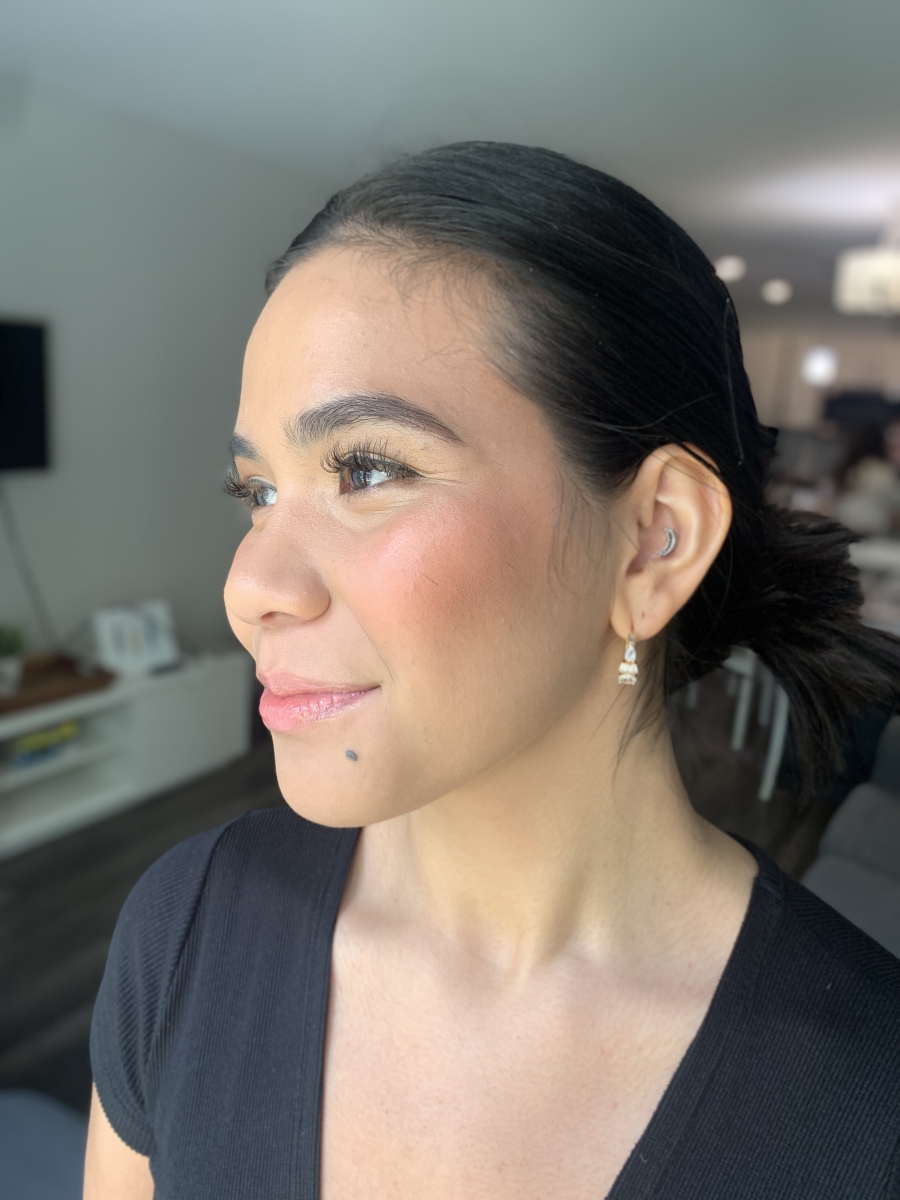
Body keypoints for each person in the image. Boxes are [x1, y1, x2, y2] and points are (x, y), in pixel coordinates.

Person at [84, 143, 900, 1199]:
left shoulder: (865, 1114)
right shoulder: (185, 931)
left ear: (652, 541)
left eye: (366, 468)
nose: (250, 586)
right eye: (259, 492)